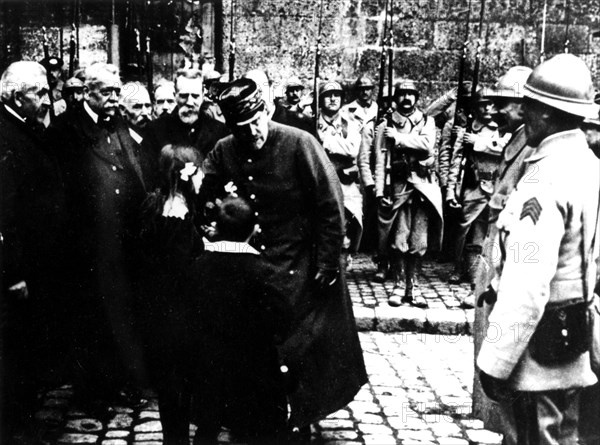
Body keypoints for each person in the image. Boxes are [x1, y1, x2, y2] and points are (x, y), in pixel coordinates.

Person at [200, 77, 367, 440]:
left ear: (266, 110)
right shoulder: (224, 150)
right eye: (242, 128)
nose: (253, 132)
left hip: (298, 265)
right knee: (254, 348)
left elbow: (329, 206)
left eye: (257, 120)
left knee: (300, 345)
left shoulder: (299, 143)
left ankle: (301, 415)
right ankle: (257, 413)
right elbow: (204, 193)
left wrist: (326, 262)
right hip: (249, 266)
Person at [477, 53, 600, 445]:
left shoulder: (544, 180)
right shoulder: (590, 166)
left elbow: (526, 283)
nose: (523, 115)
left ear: (547, 113)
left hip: (534, 356)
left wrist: (496, 361)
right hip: (572, 341)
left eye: (528, 106)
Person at [49, 62, 149, 414]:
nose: (113, 98)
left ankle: (119, 381)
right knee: (90, 317)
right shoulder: (66, 129)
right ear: (88, 91)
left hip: (121, 238)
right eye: (106, 92)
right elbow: (59, 189)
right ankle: (91, 392)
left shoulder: (116, 122)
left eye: (116, 91)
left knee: (120, 311)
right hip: (87, 243)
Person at [0, 60, 67, 443]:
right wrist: (13, 274)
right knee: (17, 350)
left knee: (30, 346)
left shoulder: (26, 128)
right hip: (20, 268)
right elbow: (4, 215)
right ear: (14, 97)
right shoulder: (6, 136)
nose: (47, 99)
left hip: (40, 263)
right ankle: (16, 427)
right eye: (38, 93)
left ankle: (24, 417)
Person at [190, 195, 291, 445]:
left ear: (218, 228)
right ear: (253, 230)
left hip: (209, 365)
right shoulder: (262, 271)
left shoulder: (199, 266)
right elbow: (281, 317)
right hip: (254, 369)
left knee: (208, 425)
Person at [469, 65, 534, 433]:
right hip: (495, 242)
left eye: (504, 105)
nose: (496, 112)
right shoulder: (516, 139)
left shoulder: (534, 148)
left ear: (526, 106)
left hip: (509, 252)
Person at [139, 144, 205, 445]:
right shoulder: (178, 217)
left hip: (158, 311)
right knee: (180, 385)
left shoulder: (155, 204)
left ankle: (174, 437)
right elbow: (183, 270)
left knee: (170, 386)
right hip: (179, 315)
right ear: (186, 175)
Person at [373, 79, 443, 307]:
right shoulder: (386, 125)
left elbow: (426, 144)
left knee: (418, 240)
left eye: (411, 94)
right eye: (402, 94)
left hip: (422, 187)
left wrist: (400, 139)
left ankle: (414, 287)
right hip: (399, 187)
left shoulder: (427, 121)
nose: (407, 99)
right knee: (399, 238)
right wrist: (380, 189)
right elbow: (381, 159)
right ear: (396, 98)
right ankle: (398, 285)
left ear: (417, 97)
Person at [446, 91, 508, 292]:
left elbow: (506, 147)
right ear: (474, 108)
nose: (488, 109)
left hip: (496, 186)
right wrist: (450, 190)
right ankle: (459, 266)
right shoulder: (468, 130)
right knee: (463, 229)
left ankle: (479, 273)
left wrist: (478, 142)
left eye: (491, 104)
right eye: (483, 105)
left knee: (487, 233)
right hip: (473, 186)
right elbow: (456, 160)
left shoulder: (502, 126)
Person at [143, 69, 229, 189]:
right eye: (184, 96)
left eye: (195, 96)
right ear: (175, 96)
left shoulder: (219, 131)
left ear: (203, 97)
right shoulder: (155, 130)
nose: (189, 102)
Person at [317, 81, 363, 267]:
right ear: (321, 100)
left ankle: (341, 271)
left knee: (343, 229)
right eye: (328, 95)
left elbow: (352, 149)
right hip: (317, 184)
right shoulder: (310, 123)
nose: (333, 99)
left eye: (337, 95)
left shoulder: (350, 125)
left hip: (343, 185)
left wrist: (324, 140)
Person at [244, 68, 315, 136]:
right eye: (246, 95)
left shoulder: (300, 121)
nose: (253, 99)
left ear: (271, 87)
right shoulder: (244, 125)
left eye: (259, 92)